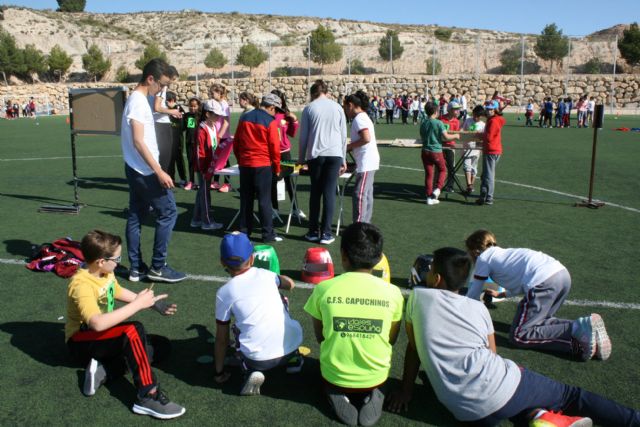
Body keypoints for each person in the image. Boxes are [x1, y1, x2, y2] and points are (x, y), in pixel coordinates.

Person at [388, 247, 639, 427]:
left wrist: (406, 391)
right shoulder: (478, 309)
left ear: (436, 278)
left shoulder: (417, 300)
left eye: (430, 269)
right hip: (499, 386)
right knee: (571, 396)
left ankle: (540, 417)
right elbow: (492, 353)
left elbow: (414, 349)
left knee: (509, 394)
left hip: (466, 413)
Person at [65, 230, 185, 419]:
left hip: (103, 338)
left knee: (160, 346)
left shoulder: (105, 273)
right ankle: (148, 395)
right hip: (81, 342)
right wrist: (138, 305)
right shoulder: (81, 284)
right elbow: (96, 323)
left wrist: (153, 304)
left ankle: (104, 371)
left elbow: (116, 290)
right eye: (117, 258)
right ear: (101, 261)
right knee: (133, 330)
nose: (119, 262)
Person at [304, 222, 404, 426]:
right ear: (378, 258)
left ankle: (335, 392)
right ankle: (374, 393)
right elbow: (391, 339)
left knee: (329, 373)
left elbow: (320, 336)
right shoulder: (393, 293)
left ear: (343, 255)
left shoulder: (324, 289)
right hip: (377, 376)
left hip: (334, 375)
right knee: (376, 377)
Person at [464, 229, 611, 360]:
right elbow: (520, 278)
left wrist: (460, 310)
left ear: (475, 251)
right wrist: (503, 294)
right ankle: (588, 333)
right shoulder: (504, 253)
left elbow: (473, 293)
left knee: (518, 336)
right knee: (541, 323)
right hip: (562, 275)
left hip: (543, 281)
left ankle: (577, 329)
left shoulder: (483, 258)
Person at [213, 232, 304, 395]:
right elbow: (290, 284)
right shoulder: (267, 275)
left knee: (236, 329)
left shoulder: (224, 292)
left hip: (260, 361)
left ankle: (249, 370)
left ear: (221, 262)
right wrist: (278, 278)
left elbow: (221, 339)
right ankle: (294, 359)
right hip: (292, 345)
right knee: (282, 301)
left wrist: (219, 372)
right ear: (252, 259)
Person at [121, 58, 186, 283]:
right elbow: (139, 141)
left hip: (135, 168)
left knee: (136, 215)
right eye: (161, 84)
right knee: (168, 213)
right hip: (145, 172)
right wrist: (159, 170)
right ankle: (158, 266)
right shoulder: (138, 102)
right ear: (150, 79)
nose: (162, 90)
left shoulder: (137, 100)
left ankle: (136, 268)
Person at [298, 80, 347, 245]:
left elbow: (303, 136)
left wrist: (300, 158)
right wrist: (344, 158)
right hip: (334, 154)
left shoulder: (309, 108)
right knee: (329, 192)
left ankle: (313, 231)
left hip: (316, 155)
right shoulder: (338, 107)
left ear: (312, 93)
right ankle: (326, 233)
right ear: (326, 92)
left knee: (316, 192)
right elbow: (343, 135)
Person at [233, 93, 283, 243]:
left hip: (246, 165)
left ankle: (244, 232)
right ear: (272, 107)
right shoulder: (270, 121)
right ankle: (267, 234)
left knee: (246, 200)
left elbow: (236, 143)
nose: (277, 113)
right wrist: (277, 167)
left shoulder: (244, 117)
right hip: (263, 165)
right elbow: (274, 147)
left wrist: (241, 160)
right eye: (277, 110)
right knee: (264, 201)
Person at [344, 91, 379, 223]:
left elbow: (366, 138)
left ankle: (359, 226)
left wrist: (348, 147)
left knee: (360, 194)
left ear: (351, 105)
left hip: (366, 162)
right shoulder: (363, 117)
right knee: (367, 194)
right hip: (369, 161)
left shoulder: (359, 119)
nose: (345, 111)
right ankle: (365, 224)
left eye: (345, 107)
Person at [270, 89, 304, 220]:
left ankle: (295, 208)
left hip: (285, 153)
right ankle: (274, 209)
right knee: (273, 181)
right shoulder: (268, 115)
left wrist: (294, 121)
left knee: (289, 180)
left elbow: (292, 133)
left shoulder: (285, 115)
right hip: (271, 154)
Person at [191, 99, 225, 231]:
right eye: (215, 115)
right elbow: (199, 153)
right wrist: (203, 169)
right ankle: (207, 221)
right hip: (204, 168)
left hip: (210, 166)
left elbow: (214, 146)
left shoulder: (212, 127)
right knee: (205, 193)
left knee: (202, 192)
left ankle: (196, 219)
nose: (218, 117)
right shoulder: (202, 129)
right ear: (207, 114)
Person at [420, 102, 460, 206]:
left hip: (425, 151)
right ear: (435, 111)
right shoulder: (438, 123)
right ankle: (437, 190)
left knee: (429, 174)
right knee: (443, 170)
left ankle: (429, 197)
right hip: (436, 151)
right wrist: (456, 136)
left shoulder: (423, 122)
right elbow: (446, 137)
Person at [149, 65, 181, 179]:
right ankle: (162, 182)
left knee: (160, 154)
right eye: (173, 79)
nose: (172, 82)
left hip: (157, 123)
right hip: (161, 125)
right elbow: (156, 108)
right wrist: (172, 111)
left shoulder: (153, 85)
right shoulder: (162, 87)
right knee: (165, 156)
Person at [476, 100, 505, 206]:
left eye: (491, 109)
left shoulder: (493, 121)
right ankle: (483, 195)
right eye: (487, 109)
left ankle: (489, 197)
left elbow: (489, 137)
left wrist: (480, 136)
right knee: (486, 175)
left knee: (488, 175)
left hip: (491, 150)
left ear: (495, 110)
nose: (488, 111)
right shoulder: (494, 119)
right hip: (493, 150)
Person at [210, 84, 233, 192]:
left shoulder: (224, 105)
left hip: (222, 136)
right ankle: (216, 181)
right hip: (215, 135)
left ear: (219, 94)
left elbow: (226, 122)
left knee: (224, 159)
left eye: (213, 93)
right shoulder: (214, 103)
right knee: (215, 158)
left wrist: (219, 135)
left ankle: (227, 183)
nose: (211, 94)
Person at [461, 105, 486, 195]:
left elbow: (484, 138)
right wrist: (464, 133)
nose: (475, 117)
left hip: (476, 149)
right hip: (466, 147)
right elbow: (461, 130)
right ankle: (469, 185)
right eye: (474, 115)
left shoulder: (483, 125)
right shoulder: (468, 120)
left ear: (482, 116)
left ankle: (471, 185)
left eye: (478, 116)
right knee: (466, 166)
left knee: (474, 168)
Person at [165, 91, 187, 186]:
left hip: (177, 139)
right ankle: (171, 179)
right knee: (170, 159)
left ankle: (183, 179)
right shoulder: (164, 109)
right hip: (167, 139)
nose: (165, 103)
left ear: (172, 100)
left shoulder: (179, 108)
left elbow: (183, 125)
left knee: (179, 159)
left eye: (167, 101)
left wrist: (177, 127)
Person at [440, 101, 462, 193]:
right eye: (455, 109)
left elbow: (457, 134)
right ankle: (438, 185)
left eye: (458, 109)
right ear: (449, 110)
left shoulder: (457, 121)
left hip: (450, 146)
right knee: (439, 167)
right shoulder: (441, 119)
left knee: (451, 167)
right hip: (440, 146)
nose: (457, 111)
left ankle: (450, 186)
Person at [182, 96, 201, 191]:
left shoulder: (201, 116)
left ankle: (203, 181)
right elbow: (185, 128)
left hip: (200, 144)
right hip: (190, 143)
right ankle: (191, 181)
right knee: (190, 162)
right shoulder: (187, 116)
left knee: (201, 163)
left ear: (198, 106)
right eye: (191, 106)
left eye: (195, 106)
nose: (193, 108)